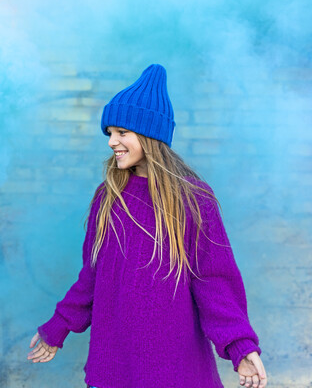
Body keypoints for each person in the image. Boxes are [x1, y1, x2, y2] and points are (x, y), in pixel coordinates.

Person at [27, 64, 268, 388]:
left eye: (122, 132)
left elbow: (214, 282)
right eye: (110, 132)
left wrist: (240, 347)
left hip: (175, 369)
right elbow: (92, 276)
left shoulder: (193, 200)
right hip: (113, 366)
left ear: (150, 135)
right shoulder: (108, 198)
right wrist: (59, 326)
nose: (112, 141)